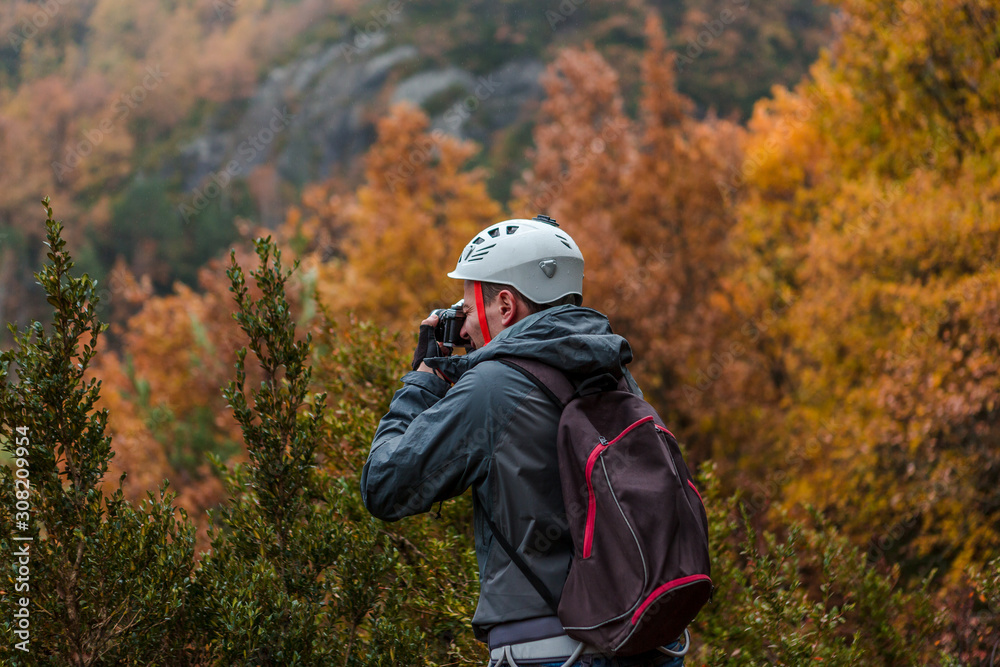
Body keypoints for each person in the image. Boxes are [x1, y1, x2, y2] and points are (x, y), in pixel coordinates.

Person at [361, 216, 685, 666]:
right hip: (639, 643)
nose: (466, 330)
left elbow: (385, 486)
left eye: (470, 312)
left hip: (545, 652)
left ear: (507, 306)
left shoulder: (493, 388)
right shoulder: (615, 374)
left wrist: (423, 382)